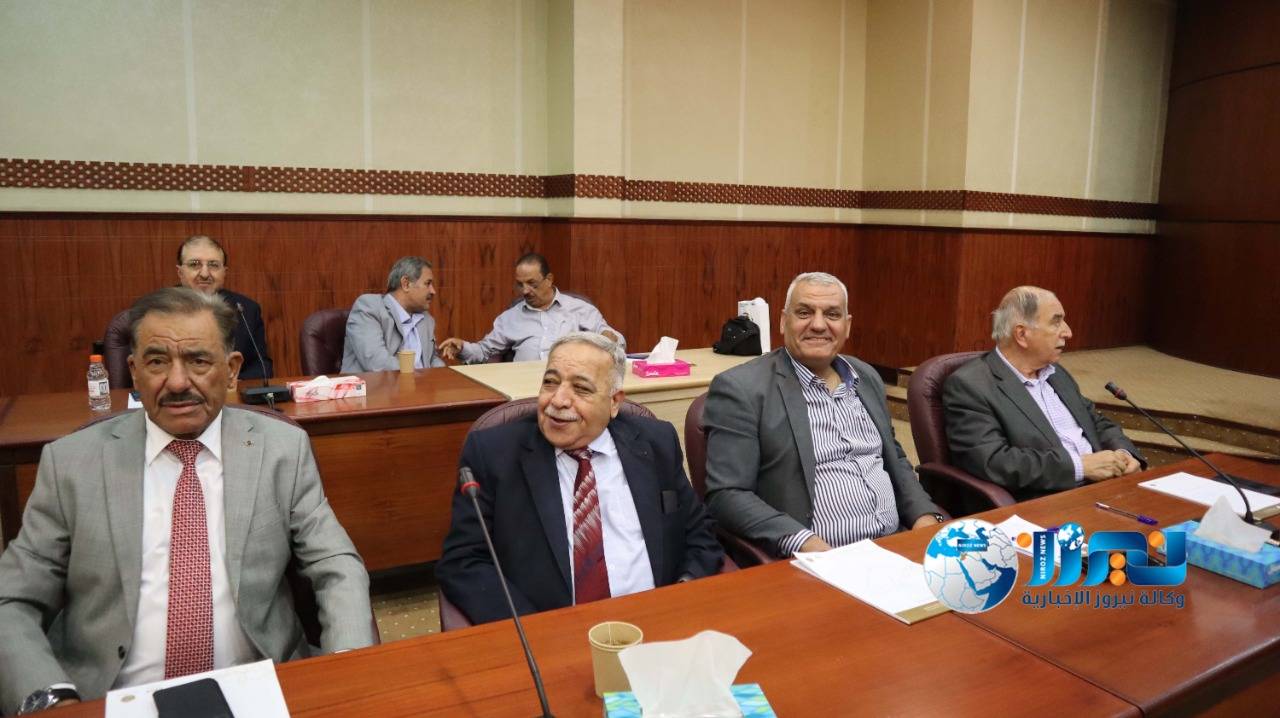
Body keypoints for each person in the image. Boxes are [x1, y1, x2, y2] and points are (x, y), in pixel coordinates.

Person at [0, 288, 374, 714]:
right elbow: (11, 598)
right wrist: (49, 698)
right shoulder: (71, 463)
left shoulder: (282, 449)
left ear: (231, 370)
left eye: (198, 360)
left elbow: (336, 564)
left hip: (258, 686)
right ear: (134, 371)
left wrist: (348, 668)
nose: (177, 382)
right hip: (107, 698)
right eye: (158, 362)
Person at [436, 332, 722, 624]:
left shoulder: (655, 442)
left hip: (659, 620)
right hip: (549, 631)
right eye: (550, 382)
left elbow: (698, 531)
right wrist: (535, 629)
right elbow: (463, 561)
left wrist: (683, 591)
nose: (558, 400)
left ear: (614, 402)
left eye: (581, 388)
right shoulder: (494, 453)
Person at [703, 272, 943, 558]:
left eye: (832, 314)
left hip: (895, 546)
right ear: (783, 321)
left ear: (847, 326)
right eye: (804, 312)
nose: (818, 325)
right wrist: (805, 543)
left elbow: (894, 457)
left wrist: (924, 516)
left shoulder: (866, 376)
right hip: (818, 559)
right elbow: (727, 494)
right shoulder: (742, 389)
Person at [943, 286, 1145, 500]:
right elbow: (994, 461)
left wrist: (1124, 453)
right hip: (1048, 501)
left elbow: (1096, 422)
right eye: (1056, 322)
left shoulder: (1057, 373)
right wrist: (1078, 467)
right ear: (1022, 334)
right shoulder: (971, 385)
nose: (1068, 332)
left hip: (1107, 487)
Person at [439, 253, 624, 363]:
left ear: (549, 279)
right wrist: (462, 347)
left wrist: (609, 337)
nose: (525, 291)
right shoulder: (510, 318)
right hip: (524, 390)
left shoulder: (579, 309)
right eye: (520, 285)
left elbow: (615, 339)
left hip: (570, 386)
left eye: (532, 284)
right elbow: (484, 351)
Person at [175, 235, 274, 379]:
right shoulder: (156, 311)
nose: (204, 274)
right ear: (180, 272)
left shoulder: (246, 310)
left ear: (224, 273)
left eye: (213, 265)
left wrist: (229, 383)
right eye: (195, 264)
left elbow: (261, 367)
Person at [341, 256, 445, 372]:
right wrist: (418, 378)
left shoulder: (426, 318)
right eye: (428, 283)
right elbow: (376, 362)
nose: (433, 291)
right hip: (375, 383)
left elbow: (431, 359)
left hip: (421, 382)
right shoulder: (369, 308)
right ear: (406, 284)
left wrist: (447, 374)